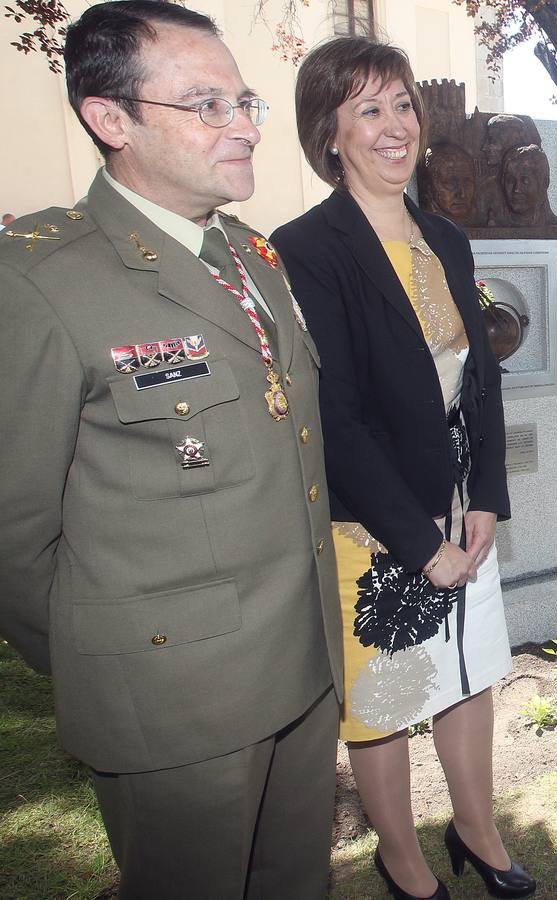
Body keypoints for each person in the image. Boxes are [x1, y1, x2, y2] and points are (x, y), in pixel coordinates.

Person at [0, 2, 343, 896]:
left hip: (302, 663)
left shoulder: (251, 256)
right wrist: (117, 656)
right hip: (173, 698)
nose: (244, 129)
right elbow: (13, 533)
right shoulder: (40, 281)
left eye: (244, 102)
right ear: (109, 119)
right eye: (207, 107)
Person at [270, 37, 534, 900]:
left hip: (461, 512)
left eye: (403, 105)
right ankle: (401, 856)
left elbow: (482, 385)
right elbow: (334, 417)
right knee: (381, 703)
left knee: (466, 674)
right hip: (375, 524)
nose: (396, 127)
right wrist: (422, 545)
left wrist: (487, 499)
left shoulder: (447, 239)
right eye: (369, 110)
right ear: (331, 134)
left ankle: (476, 829)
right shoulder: (307, 247)